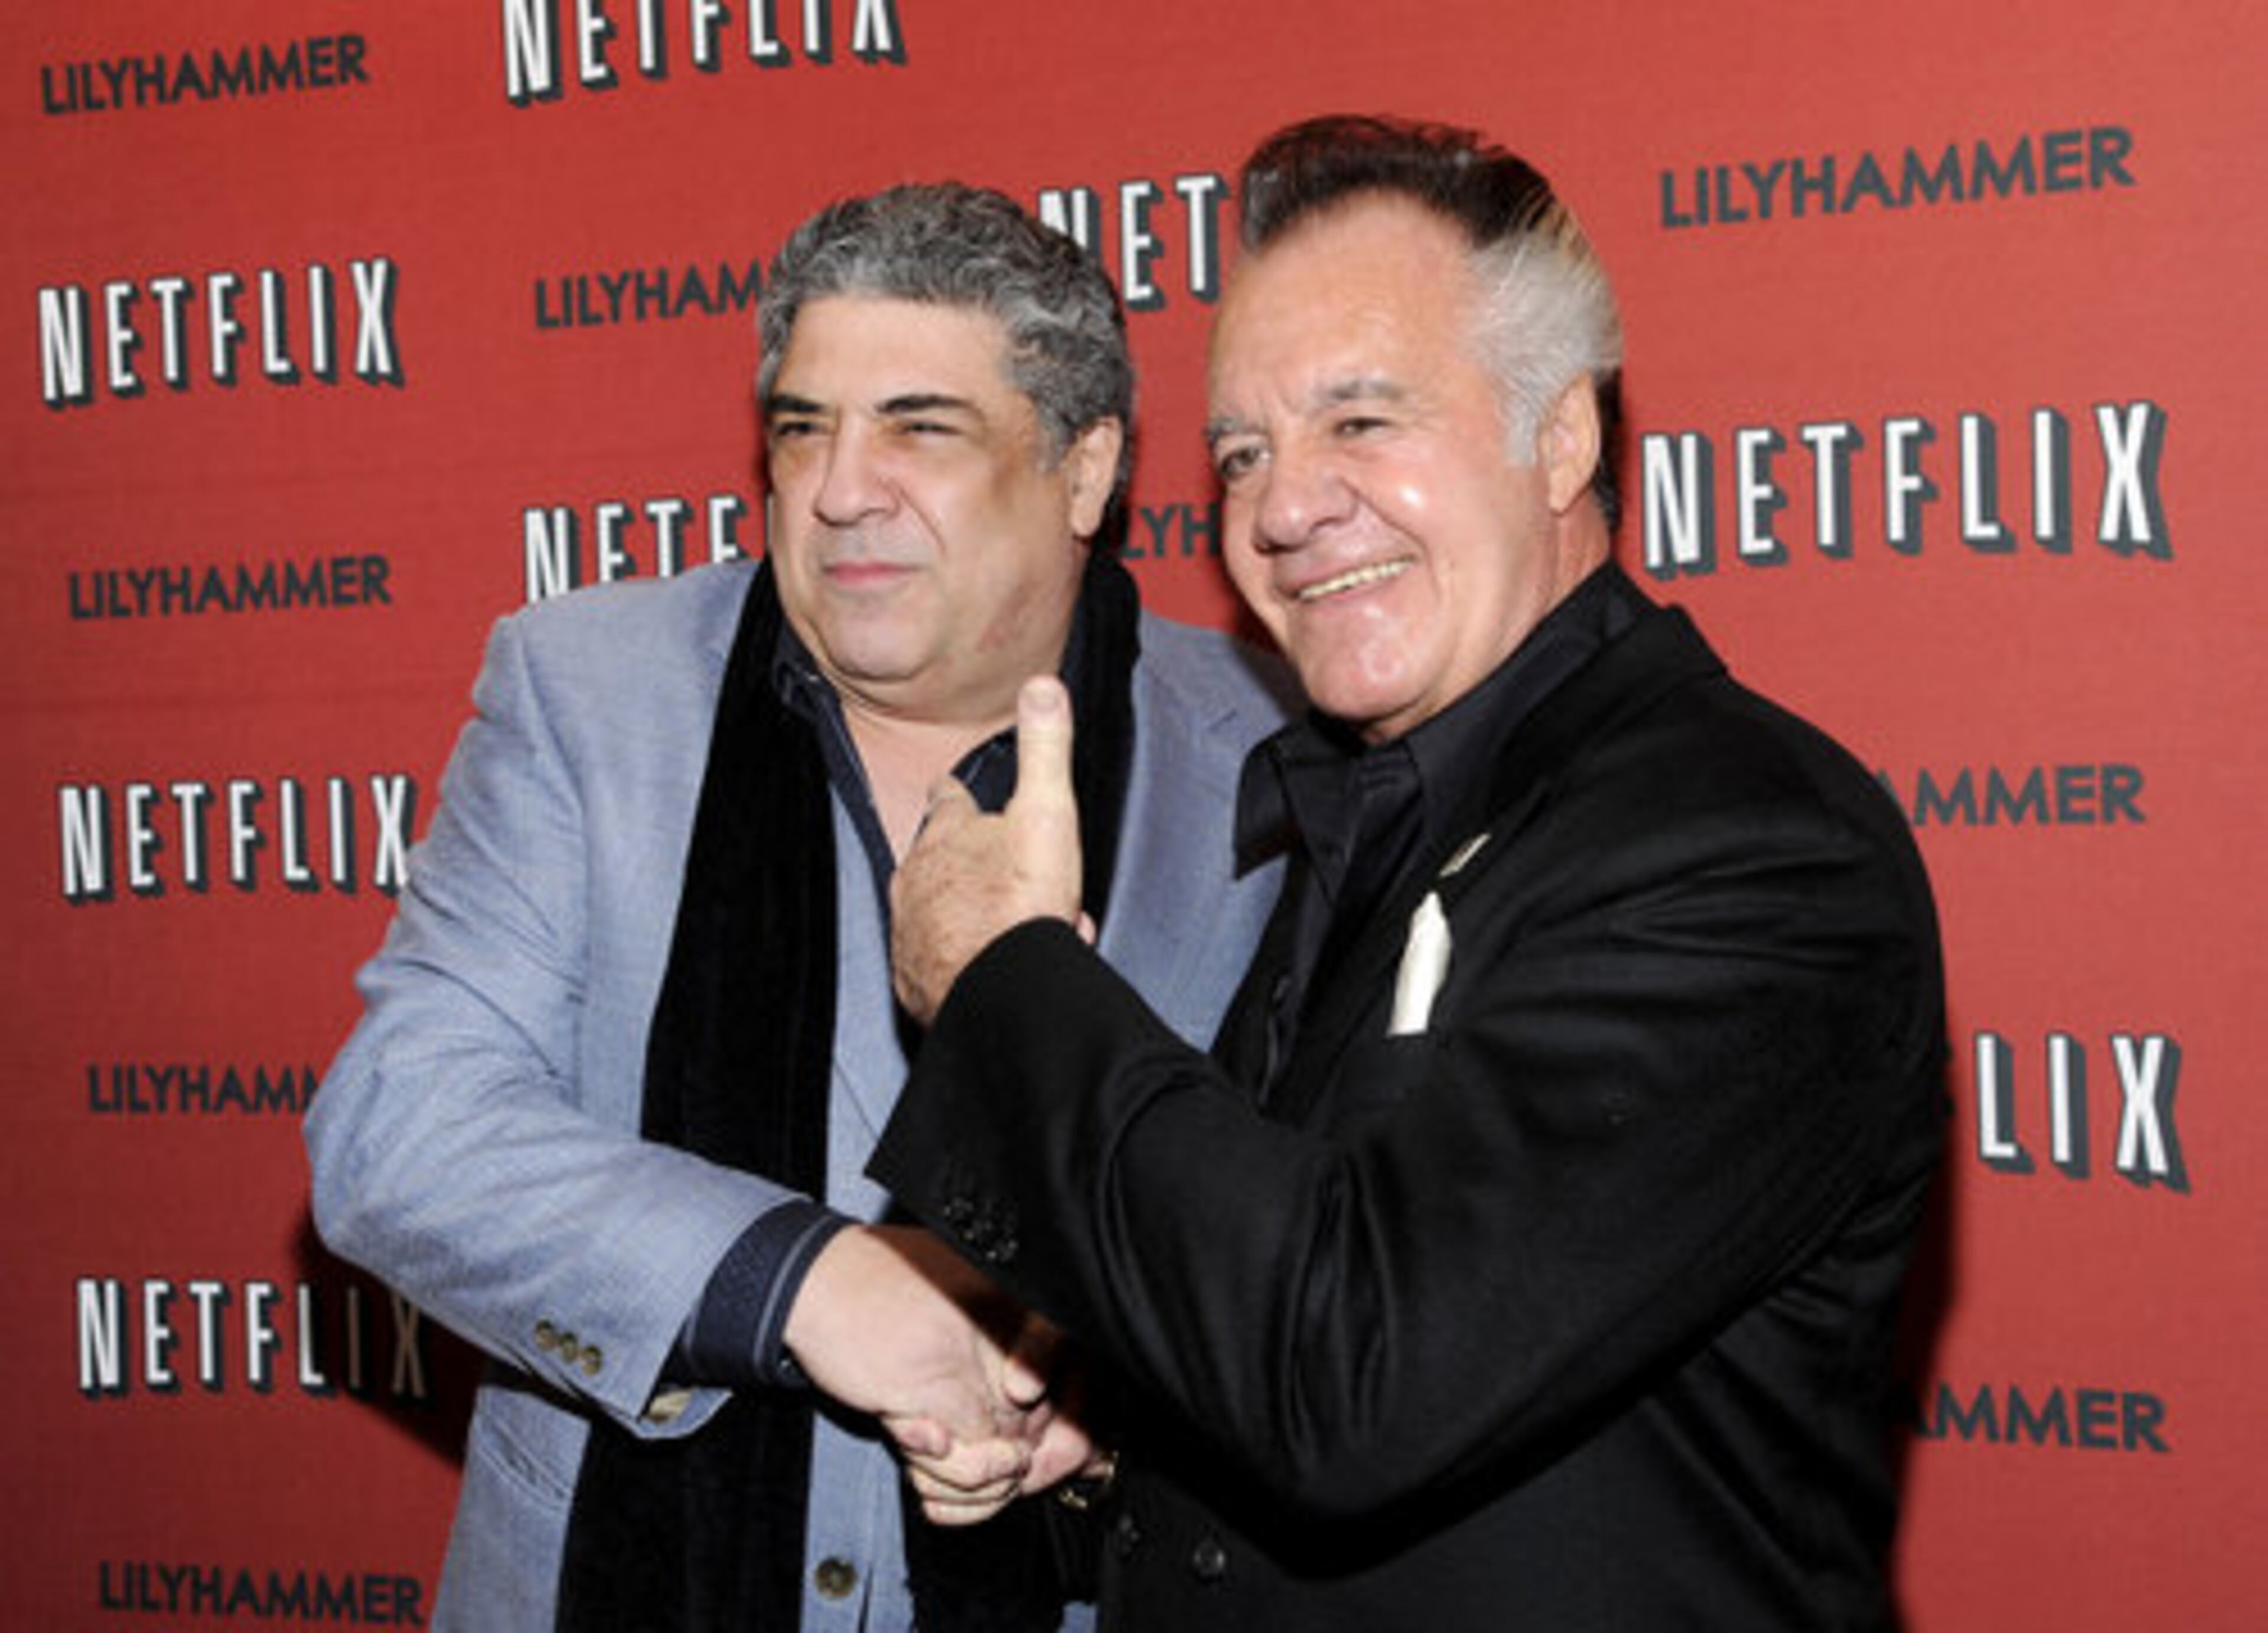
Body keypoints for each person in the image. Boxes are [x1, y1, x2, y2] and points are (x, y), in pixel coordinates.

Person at [874, 115, 1949, 1630]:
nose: (1283, 508)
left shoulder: (1749, 847)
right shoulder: (1389, 805)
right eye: (1242, 451)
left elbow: (1356, 1377)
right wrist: (1125, 1433)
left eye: (1361, 423)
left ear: (1561, 437)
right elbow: (1348, 1317)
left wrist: (1002, 973)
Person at [303, 182, 1291, 1632]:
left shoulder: (1266, 768)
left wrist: (1120, 1381)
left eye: (920, 427)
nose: (840, 488)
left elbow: (1325, 1239)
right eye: (803, 427)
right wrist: (803, 1282)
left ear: (1084, 473)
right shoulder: (588, 695)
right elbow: (399, 1129)